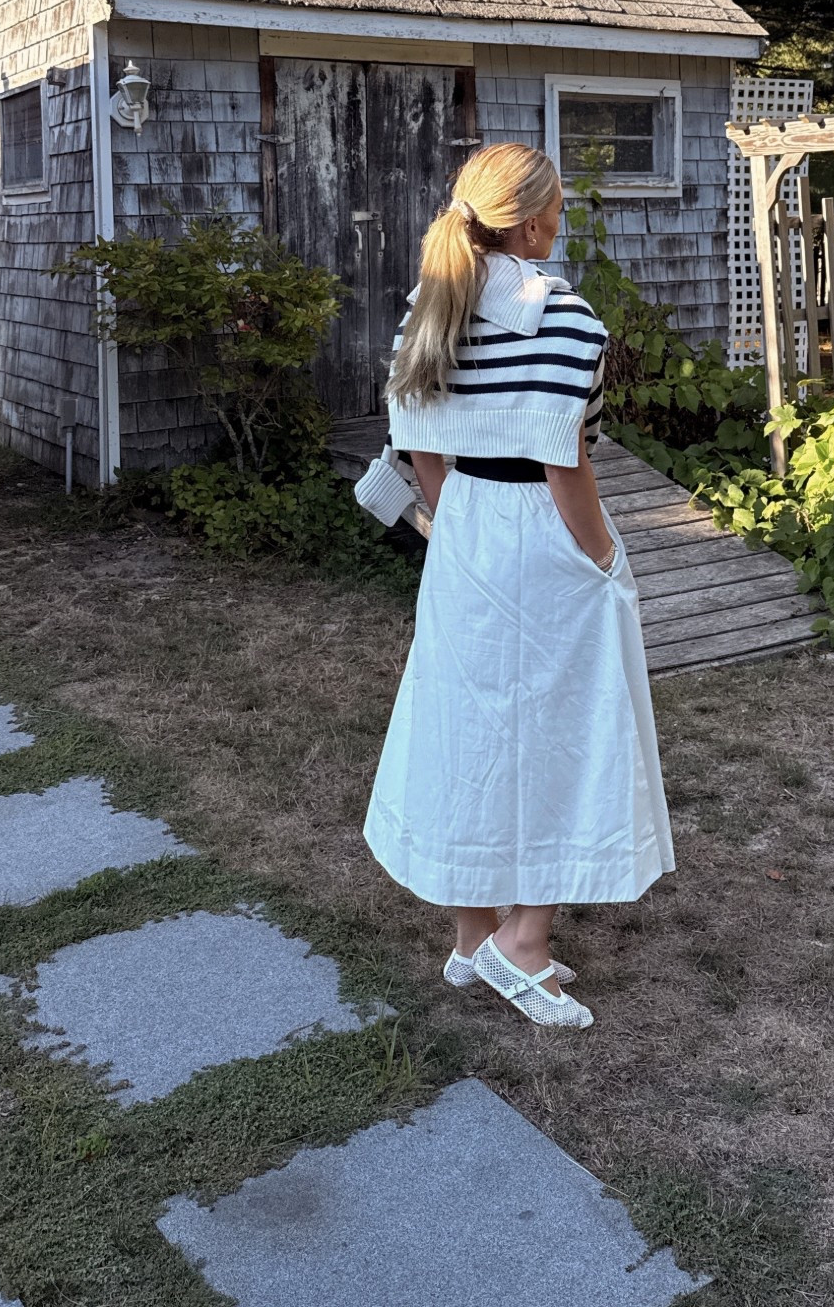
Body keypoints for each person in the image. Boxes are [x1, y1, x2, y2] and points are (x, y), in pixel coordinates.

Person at [354, 143, 674, 1028]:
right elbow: (567, 463)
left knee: (466, 718)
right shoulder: (565, 317)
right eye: (558, 207)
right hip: (541, 528)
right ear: (532, 221)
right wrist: (605, 558)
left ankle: (472, 935)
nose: (560, 220)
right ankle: (519, 942)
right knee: (567, 724)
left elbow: (420, 438)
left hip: (462, 523)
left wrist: (454, 512)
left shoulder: (430, 305)